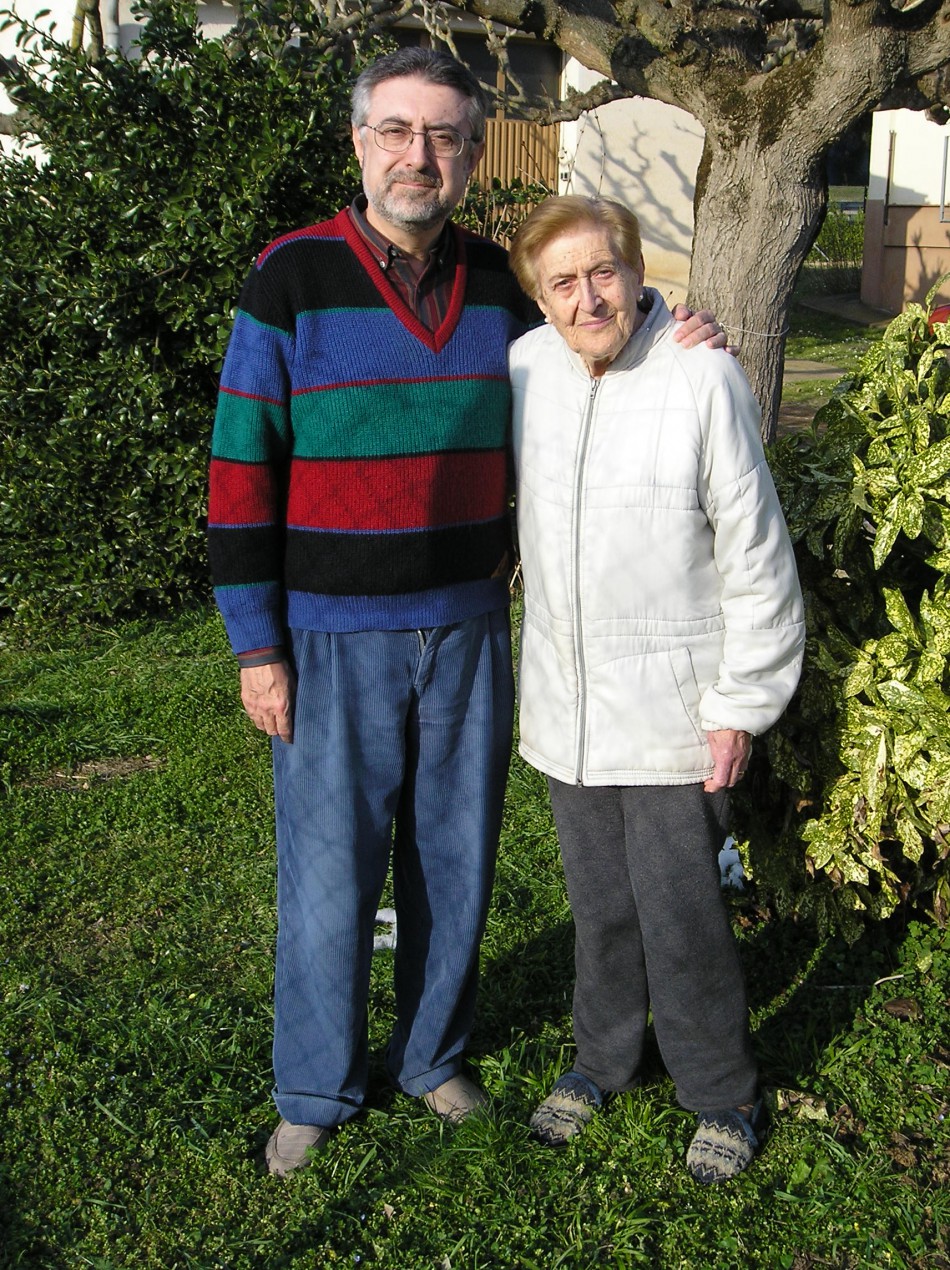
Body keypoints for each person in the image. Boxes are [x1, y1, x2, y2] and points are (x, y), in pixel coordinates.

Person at [208, 48, 725, 1178]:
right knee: (329, 870)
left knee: (453, 862)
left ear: (471, 152)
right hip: (329, 635)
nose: (418, 156)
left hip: (469, 630)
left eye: (442, 136)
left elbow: (604, 323)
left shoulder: (501, 284)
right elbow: (240, 470)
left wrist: (690, 329)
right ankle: (313, 1085)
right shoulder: (287, 279)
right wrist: (257, 644)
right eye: (395, 131)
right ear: (358, 142)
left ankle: (431, 1055)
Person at [507, 195, 805, 1184]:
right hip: (570, 705)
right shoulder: (521, 373)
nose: (586, 296)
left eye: (603, 272)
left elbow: (756, 555)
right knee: (599, 906)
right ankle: (602, 1059)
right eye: (561, 281)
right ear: (537, 299)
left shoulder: (700, 374)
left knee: (680, 913)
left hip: (677, 709)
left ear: (636, 274)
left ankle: (719, 1089)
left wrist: (738, 703)